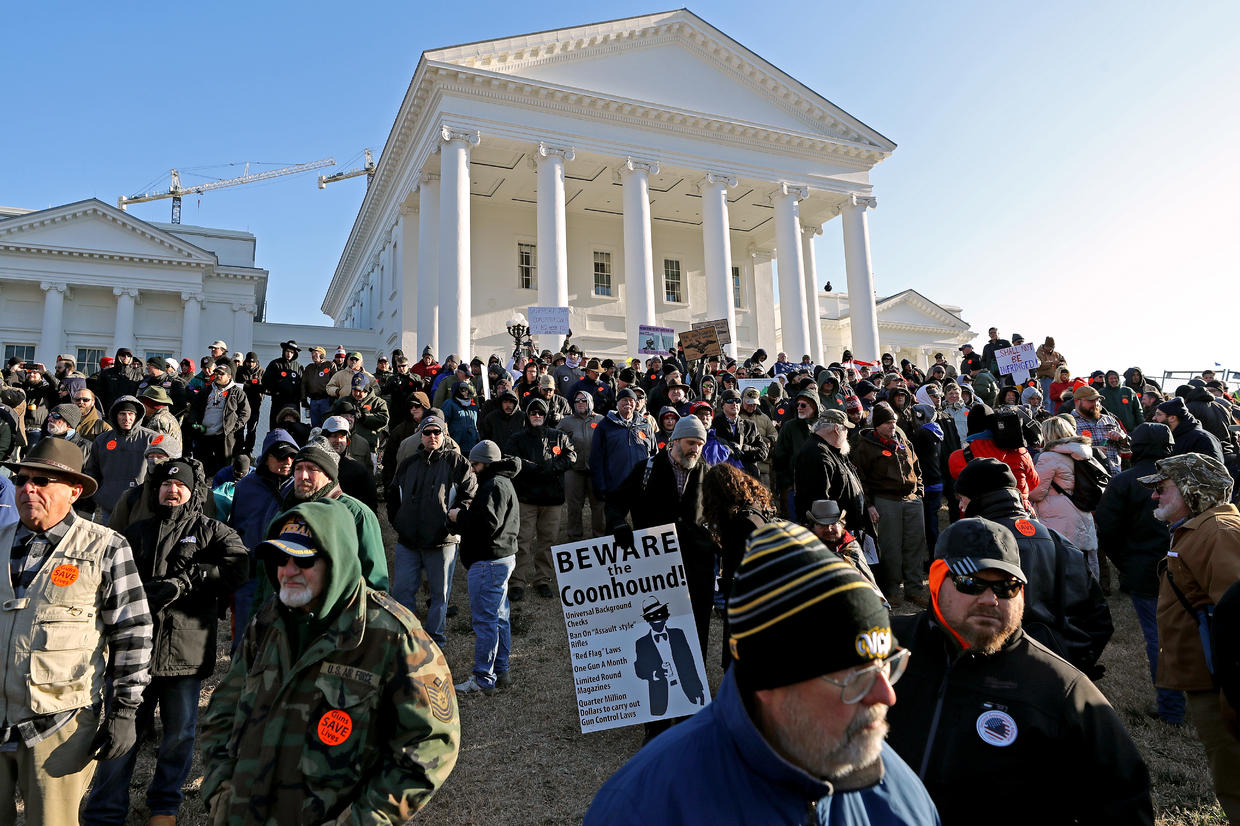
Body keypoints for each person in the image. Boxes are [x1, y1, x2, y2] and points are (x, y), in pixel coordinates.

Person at [586, 520, 940, 826]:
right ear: (768, 680)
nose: (887, 694)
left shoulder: (901, 797)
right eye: (856, 677)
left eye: (886, 665)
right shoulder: (642, 807)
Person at [200, 500, 460, 823]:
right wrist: (220, 789)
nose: (289, 570)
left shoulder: (394, 638)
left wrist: (364, 819)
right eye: (280, 558)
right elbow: (223, 709)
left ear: (336, 560)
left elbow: (432, 744)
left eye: (304, 559)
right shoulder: (269, 621)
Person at [886, 518, 1154, 825]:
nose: (990, 599)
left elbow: (1124, 802)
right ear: (935, 580)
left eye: (1006, 587)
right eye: (970, 582)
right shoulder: (882, 648)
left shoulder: (1060, 688)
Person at [83, 457, 248, 826]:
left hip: (184, 654)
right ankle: (106, 810)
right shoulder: (137, 532)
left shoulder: (213, 532)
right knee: (121, 731)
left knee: (179, 734)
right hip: (134, 652)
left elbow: (239, 567)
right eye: (166, 485)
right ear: (155, 489)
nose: (172, 490)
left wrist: (190, 581)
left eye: (181, 485)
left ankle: (164, 806)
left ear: (192, 492)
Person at [0, 439, 153, 825]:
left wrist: (124, 711)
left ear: (74, 490)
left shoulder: (105, 547)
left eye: (41, 480)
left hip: (59, 723)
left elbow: (133, 632)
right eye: (20, 479)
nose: (27, 488)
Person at [1141, 453, 1240, 818]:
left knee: (1234, 776)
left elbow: (1235, 614)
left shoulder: (1219, 533)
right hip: (1208, 679)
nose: (1155, 496)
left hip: (1222, 685)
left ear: (1192, 490)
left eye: (1162, 488)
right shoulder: (1200, 528)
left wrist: (1232, 692)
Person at [954, 457, 1113, 677]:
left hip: (998, 669)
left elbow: (956, 615)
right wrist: (1075, 661)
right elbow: (1098, 617)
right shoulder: (1057, 540)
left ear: (977, 498)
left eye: (962, 498)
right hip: (1057, 666)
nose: (960, 506)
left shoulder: (972, 543)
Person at [1095, 422, 1183, 724]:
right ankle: (1183, 703)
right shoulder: (1179, 479)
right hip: (1174, 566)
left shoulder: (1125, 481)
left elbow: (1107, 530)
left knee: (1158, 638)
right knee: (1190, 632)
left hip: (1149, 569)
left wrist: (1126, 562)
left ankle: (1173, 708)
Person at [606, 415, 715, 657]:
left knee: (697, 625)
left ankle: (696, 680)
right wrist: (618, 525)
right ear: (674, 441)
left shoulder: (709, 474)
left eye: (700, 444)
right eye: (690, 442)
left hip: (696, 564)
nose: (695, 449)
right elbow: (615, 503)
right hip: (655, 563)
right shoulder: (646, 469)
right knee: (656, 621)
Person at [387, 415, 477, 645]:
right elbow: (393, 495)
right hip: (408, 541)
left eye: (437, 432)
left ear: (444, 434)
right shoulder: (408, 463)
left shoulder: (457, 462)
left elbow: (469, 494)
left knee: (440, 593)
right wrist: (400, 522)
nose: (432, 436)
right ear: (421, 435)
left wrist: (452, 522)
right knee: (402, 591)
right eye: (427, 432)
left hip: (442, 540)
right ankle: (409, 637)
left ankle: (436, 638)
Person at [451, 441, 521, 694]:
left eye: (475, 464)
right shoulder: (503, 481)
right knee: (500, 618)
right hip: (501, 558)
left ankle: (483, 678)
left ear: (485, 464)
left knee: (486, 622)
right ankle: (502, 671)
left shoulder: (493, 485)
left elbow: (486, 524)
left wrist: (459, 517)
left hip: (488, 561)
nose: (473, 468)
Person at [227, 429, 298, 645]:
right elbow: (236, 527)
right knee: (245, 634)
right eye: (280, 456)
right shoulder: (246, 487)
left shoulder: (299, 486)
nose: (287, 461)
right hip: (252, 571)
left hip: (288, 570)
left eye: (292, 456)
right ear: (266, 457)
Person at [851, 402, 926, 602]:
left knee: (915, 545)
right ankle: (892, 590)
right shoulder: (865, 446)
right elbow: (860, 479)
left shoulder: (902, 439)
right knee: (890, 547)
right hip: (885, 500)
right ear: (877, 425)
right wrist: (869, 504)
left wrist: (919, 491)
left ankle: (915, 589)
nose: (892, 426)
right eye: (887, 423)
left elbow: (916, 466)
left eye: (893, 421)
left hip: (911, 501)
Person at [505, 398, 576, 600]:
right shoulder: (517, 438)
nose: (537, 416)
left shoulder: (558, 436)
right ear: (527, 415)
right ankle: (517, 581)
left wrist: (553, 467)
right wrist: (532, 468)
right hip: (527, 497)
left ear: (546, 416)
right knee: (523, 540)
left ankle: (542, 579)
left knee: (548, 541)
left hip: (552, 499)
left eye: (541, 413)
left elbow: (571, 456)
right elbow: (511, 458)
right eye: (533, 413)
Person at [1030, 414, 1103, 578]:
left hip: (1057, 518)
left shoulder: (1048, 457)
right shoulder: (1083, 453)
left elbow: (1037, 492)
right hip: (1082, 511)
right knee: (1085, 566)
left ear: (1047, 434)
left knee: (1061, 568)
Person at [84, 394, 158, 523]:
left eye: (131, 414)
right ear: (115, 415)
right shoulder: (102, 440)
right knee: (112, 541)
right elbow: (92, 471)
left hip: (141, 504)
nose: (127, 418)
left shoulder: (151, 438)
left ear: (137, 416)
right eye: (122, 414)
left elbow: (160, 471)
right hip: (109, 504)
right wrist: (99, 495)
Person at [803, 499, 885, 604]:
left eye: (833, 523)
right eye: (822, 525)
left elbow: (862, 577)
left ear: (842, 524)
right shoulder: (802, 545)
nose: (829, 529)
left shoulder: (850, 545)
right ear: (813, 527)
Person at [589, 388, 655, 504]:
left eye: (631, 400)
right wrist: (600, 485)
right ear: (617, 403)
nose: (628, 403)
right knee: (616, 521)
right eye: (624, 400)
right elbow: (596, 458)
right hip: (615, 485)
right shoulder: (604, 426)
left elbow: (654, 455)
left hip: (641, 486)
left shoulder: (645, 425)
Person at [186, 361, 250, 476]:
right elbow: (195, 408)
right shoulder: (206, 391)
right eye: (216, 373)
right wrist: (194, 423)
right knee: (202, 468)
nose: (218, 376)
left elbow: (245, 412)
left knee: (224, 468)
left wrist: (234, 427)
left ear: (229, 376)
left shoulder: (237, 392)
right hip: (205, 434)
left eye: (221, 373)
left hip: (224, 436)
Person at [559, 390, 605, 542]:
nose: (580, 403)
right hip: (574, 470)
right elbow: (555, 442)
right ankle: (575, 537)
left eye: (583, 400)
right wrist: (563, 459)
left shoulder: (601, 420)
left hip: (596, 470)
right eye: (577, 401)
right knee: (573, 506)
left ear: (590, 402)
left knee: (598, 505)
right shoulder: (566, 422)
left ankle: (600, 537)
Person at [1070, 384, 1126, 474]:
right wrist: (1091, 450)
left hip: (1115, 476)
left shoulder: (1109, 419)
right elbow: (1064, 450)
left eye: (1097, 400)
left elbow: (1127, 450)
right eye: (1091, 401)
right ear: (1077, 401)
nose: (1096, 404)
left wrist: (1122, 438)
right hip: (1089, 480)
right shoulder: (1068, 422)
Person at [1155, 397, 1226, 465]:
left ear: (1172, 418)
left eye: (1158, 414)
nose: (1154, 418)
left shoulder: (1202, 439)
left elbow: (1211, 471)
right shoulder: (1174, 436)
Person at [261, 340, 304, 429]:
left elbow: (303, 384)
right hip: (278, 401)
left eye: (292, 352)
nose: (289, 354)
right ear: (284, 351)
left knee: (294, 427)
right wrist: (275, 391)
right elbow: (266, 380)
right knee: (276, 425)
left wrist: (300, 398)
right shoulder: (275, 364)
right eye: (287, 351)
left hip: (293, 403)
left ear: (295, 354)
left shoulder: (298, 367)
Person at [234, 351, 265, 454]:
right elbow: (235, 385)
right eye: (248, 362)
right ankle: (238, 449)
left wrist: (257, 388)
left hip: (255, 404)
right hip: (241, 403)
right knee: (240, 427)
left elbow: (266, 387)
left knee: (252, 428)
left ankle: (248, 451)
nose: (250, 364)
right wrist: (245, 386)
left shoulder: (261, 372)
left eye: (252, 362)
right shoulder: (240, 370)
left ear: (256, 362)